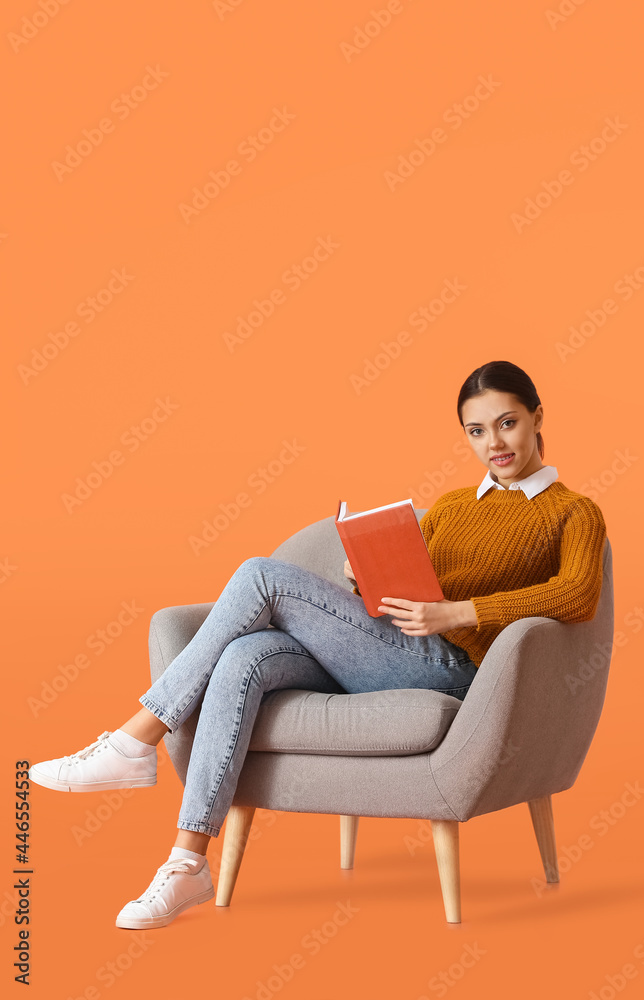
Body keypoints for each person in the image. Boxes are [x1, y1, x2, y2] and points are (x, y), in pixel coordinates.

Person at [29, 359, 607, 929]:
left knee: (261, 575)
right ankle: (187, 862)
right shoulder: (455, 507)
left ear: (536, 417)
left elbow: (577, 595)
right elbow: (407, 585)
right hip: (387, 650)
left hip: (454, 668)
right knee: (241, 657)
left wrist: (458, 612)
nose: (493, 444)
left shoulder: (575, 512)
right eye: (476, 431)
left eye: (506, 423)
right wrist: (370, 577)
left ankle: (136, 738)